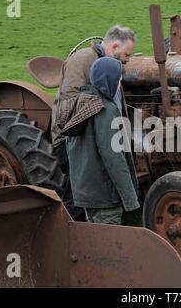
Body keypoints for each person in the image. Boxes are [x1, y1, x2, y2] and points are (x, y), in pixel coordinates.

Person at [51, 25, 136, 219]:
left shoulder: (108, 65)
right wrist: (103, 114)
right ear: (114, 46)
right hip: (76, 139)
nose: (128, 59)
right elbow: (70, 106)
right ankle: (75, 234)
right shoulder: (82, 60)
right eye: (126, 54)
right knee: (81, 198)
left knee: (99, 191)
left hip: (100, 133)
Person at [65, 57, 140, 224]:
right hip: (105, 196)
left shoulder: (80, 103)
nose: (119, 85)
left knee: (95, 243)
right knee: (111, 247)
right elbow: (113, 157)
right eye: (118, 80)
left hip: (86, 195)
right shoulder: (106, 109)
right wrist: (130, 199)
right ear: (110, 80)